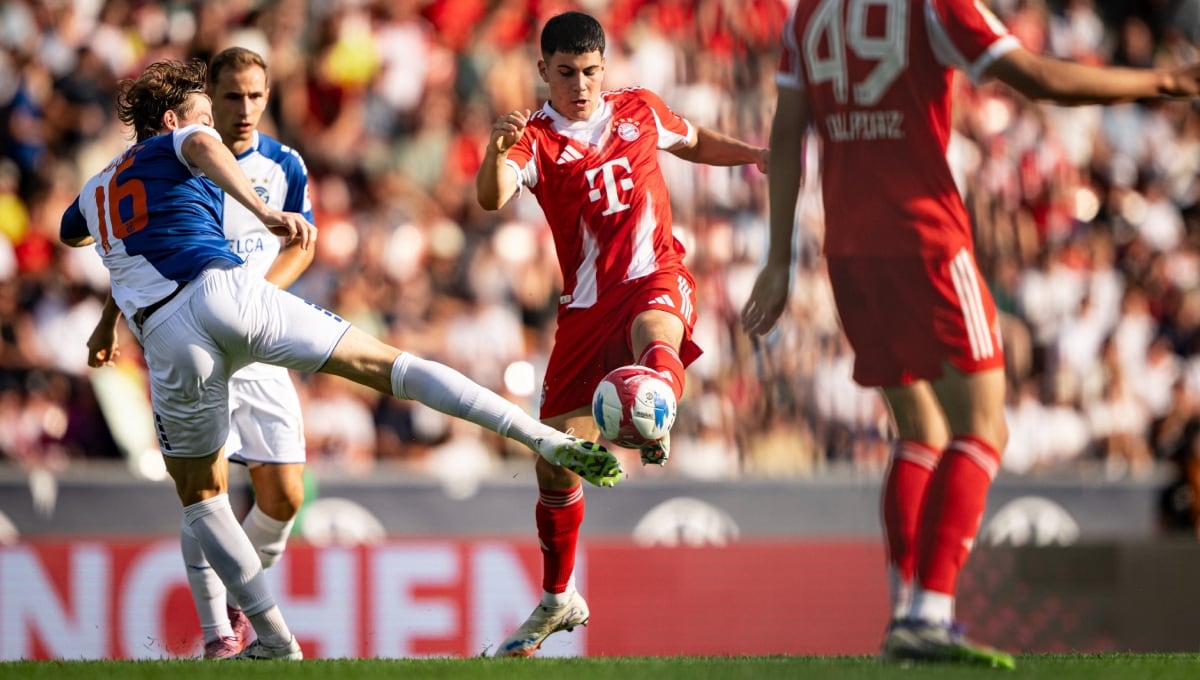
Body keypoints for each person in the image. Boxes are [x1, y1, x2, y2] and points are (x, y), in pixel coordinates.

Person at [60, 58, 622, 660]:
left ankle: (272, 640)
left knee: (203, 500)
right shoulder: (188, 138)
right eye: (206, 113)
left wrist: (107, 313)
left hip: (167, 336)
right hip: (229, 293)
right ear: (171, 120)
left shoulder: (96, 188)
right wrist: (260, 208)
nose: (217, 126)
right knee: (387, 365)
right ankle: (538, 436)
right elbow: (200, 145)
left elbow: (78, 235)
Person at [741, 0, 1200, 669]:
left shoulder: (809, 12)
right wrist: (1164, 82)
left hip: (848, 247)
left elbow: (787, 133)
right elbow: (1039, 78)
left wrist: (778, 259)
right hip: (924, 239)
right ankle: (931, 611)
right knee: (984, 426)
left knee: (919, 430)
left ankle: (907, 612)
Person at [475, 11, 766, 657]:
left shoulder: (640, 108)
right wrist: (495, 152)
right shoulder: (536, 138)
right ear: (543, 70)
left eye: (590, 71)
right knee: (554, 463)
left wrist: (754, 155)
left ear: (605, 67)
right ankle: (558, 598)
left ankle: (654, 411)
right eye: (567, 72)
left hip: (652, 276)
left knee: (657, 332)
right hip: (583, 311)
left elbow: (694, 142)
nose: (580, 84)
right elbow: (493, 197)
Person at [85, 46, 317, 659]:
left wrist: (253, 304)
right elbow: (135, 253)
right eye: (233, 96)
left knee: (286, 495)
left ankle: (240, 597)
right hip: (193, 330)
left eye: (257, 95)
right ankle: (220, 631)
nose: (245, 109)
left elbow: (303, 245)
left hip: (254, 332)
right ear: (208, 98)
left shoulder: (285, 164)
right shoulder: (173, 157)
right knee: (205, 489)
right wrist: (109, 321)